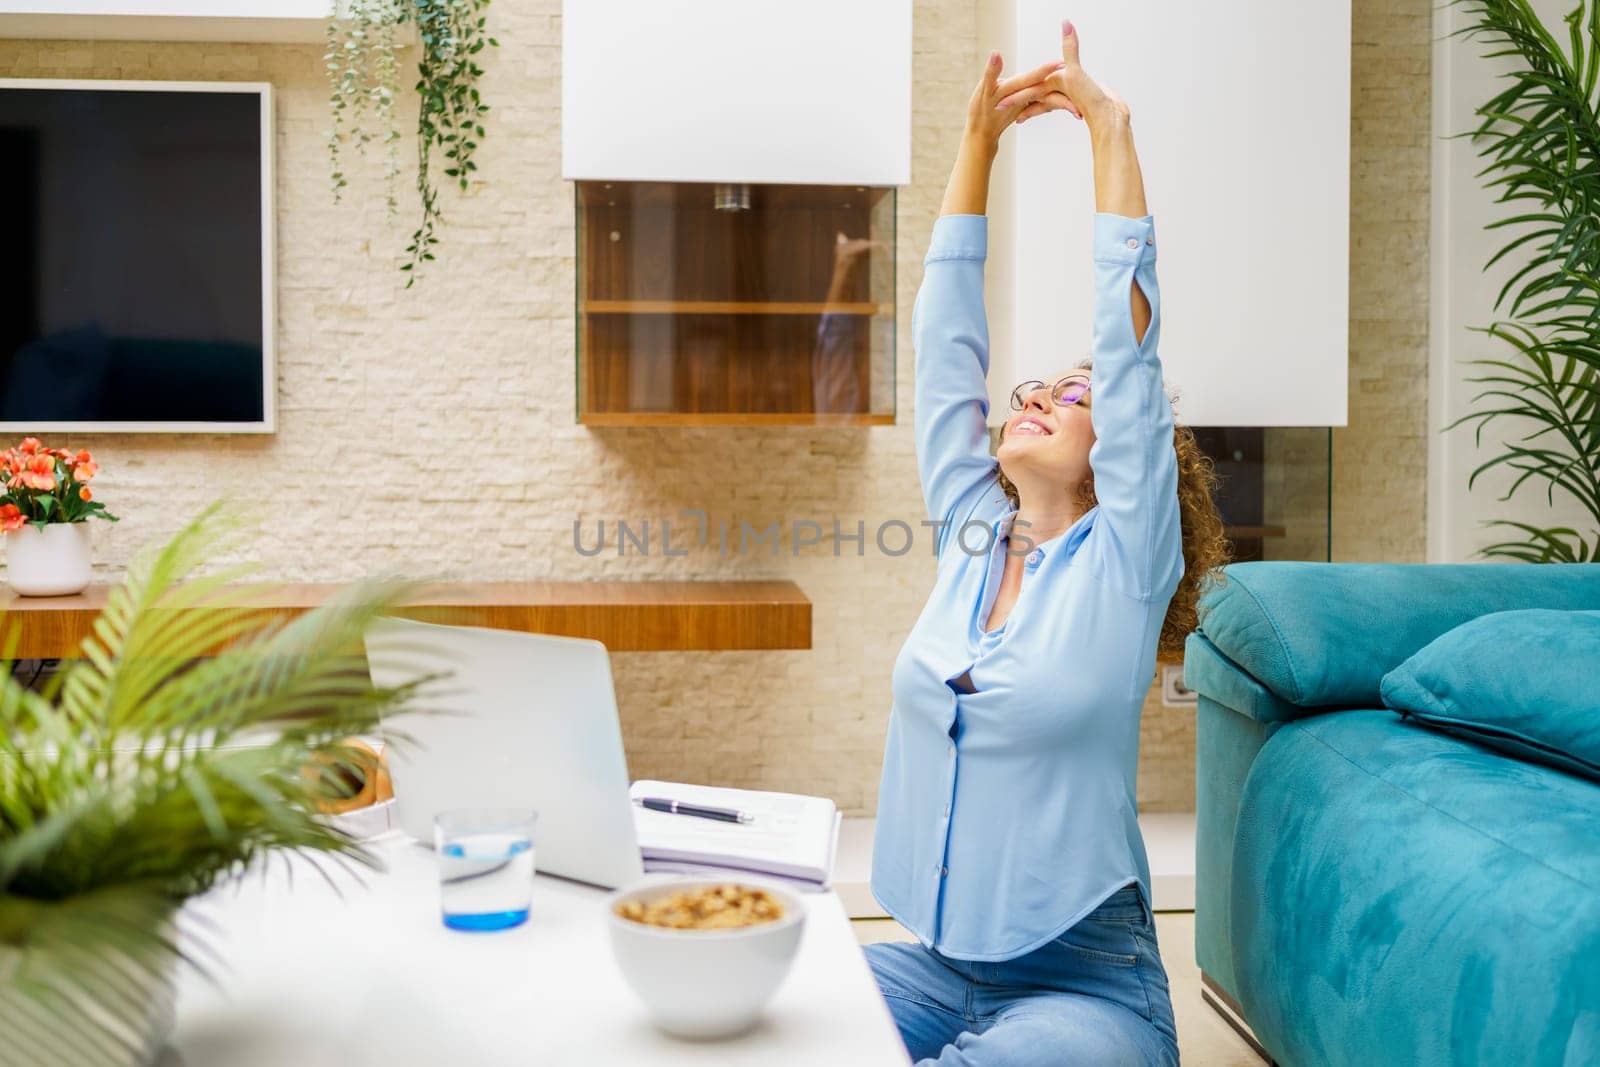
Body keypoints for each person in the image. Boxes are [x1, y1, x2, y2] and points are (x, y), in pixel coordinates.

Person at [864, 19, 1229, 1066]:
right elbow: (945, 350)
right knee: (767, 1019)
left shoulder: (1122, 564)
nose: (1035, 396)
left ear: (1119, 445)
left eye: (1073, 397)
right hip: (929, 961)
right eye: (1033, 386)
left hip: (1085, 981)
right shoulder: (972, 531)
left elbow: (1127, 351)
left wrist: (1109, 133)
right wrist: (975, 148)